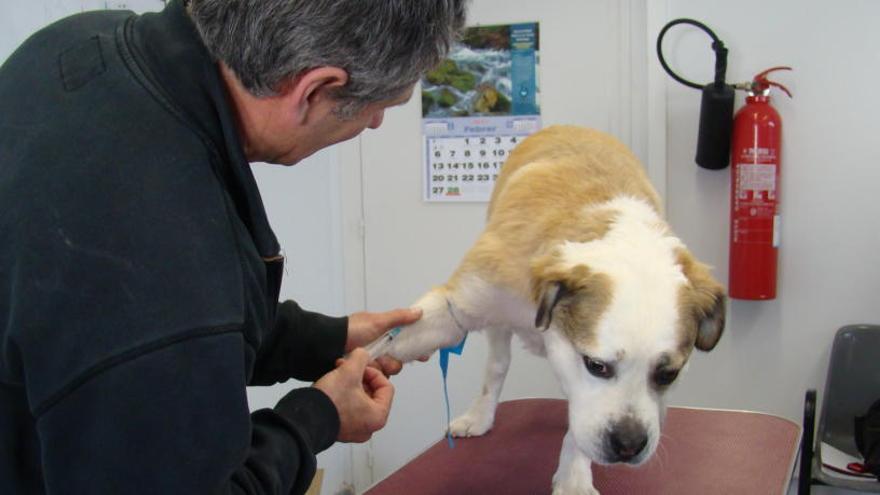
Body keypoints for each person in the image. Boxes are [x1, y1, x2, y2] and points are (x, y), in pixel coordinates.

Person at [0, 0, 467, 493]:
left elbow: (176, 330)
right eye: (380, 108)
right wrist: (318, 417)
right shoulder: (163, 256)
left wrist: (329, 339)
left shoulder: (86, 41)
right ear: (313, 90)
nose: (373, 124)